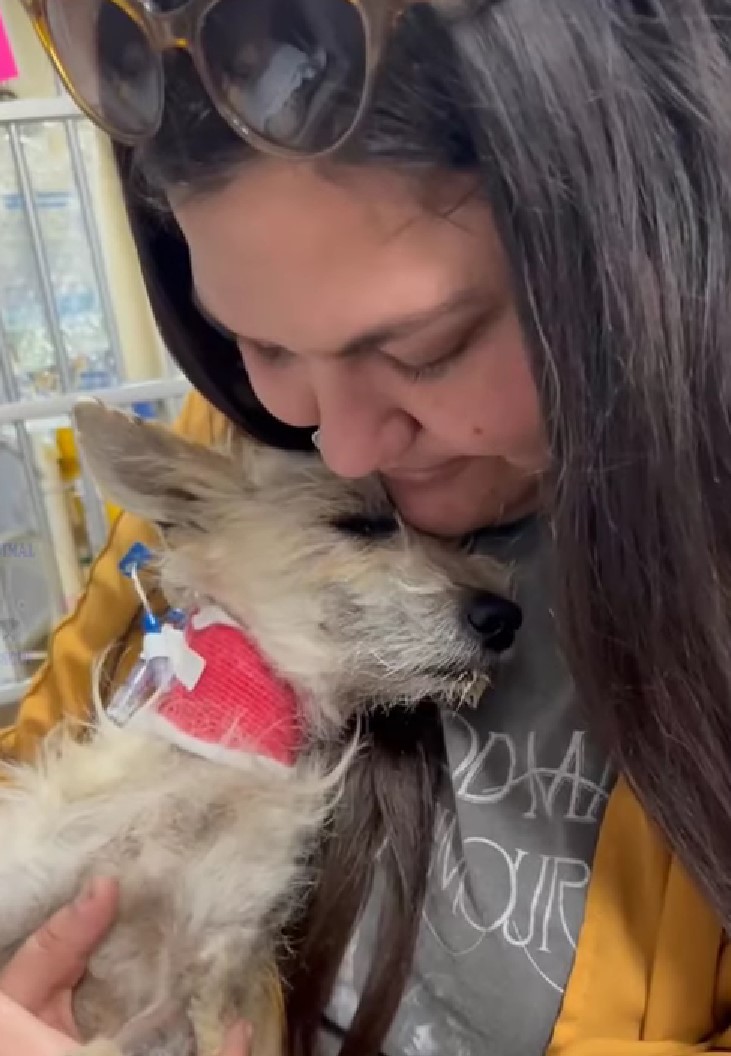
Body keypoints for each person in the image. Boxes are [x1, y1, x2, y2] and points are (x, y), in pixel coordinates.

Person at [3, 0, 731, 1054]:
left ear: (638, 254)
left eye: (426, 350)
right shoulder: (238, 452)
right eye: (260, 343)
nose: (336, 445)